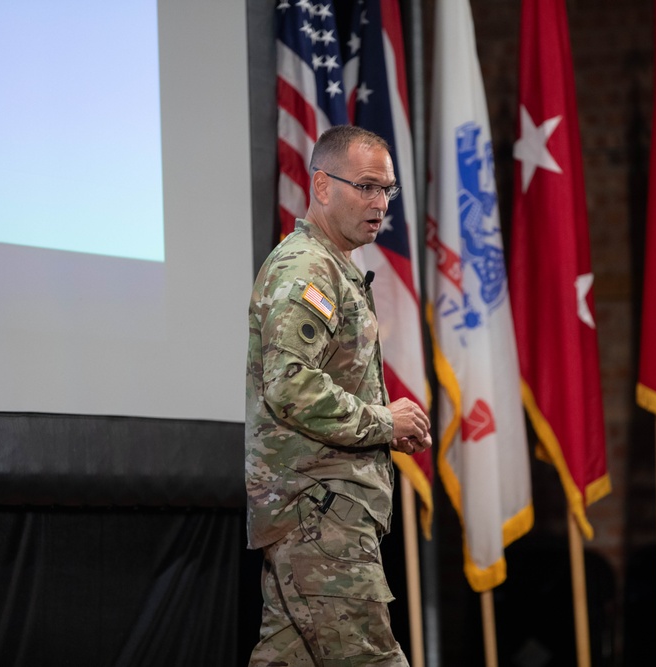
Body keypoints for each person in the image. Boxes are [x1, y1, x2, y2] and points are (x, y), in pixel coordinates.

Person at [245, 125, 432, 666]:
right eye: (367, 187)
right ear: (322, 186)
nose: (380, 204)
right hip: (320, 514)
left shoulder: (336, 266)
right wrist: (382, 422)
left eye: (387, 191)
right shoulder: (309, 266)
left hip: (312, 513)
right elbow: (290, 385)